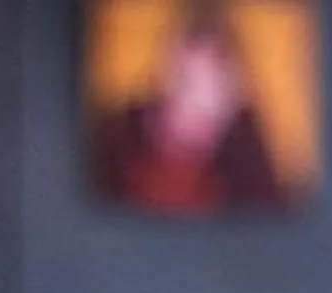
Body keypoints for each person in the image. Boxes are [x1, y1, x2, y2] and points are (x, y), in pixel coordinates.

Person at [94, 7, 288, 215]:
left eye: (217, 91)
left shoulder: (248, 158)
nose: (200, 106)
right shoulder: (119, 141)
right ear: (163, 78)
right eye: (188, 83)